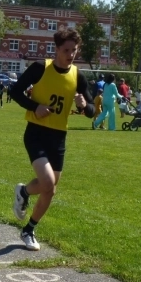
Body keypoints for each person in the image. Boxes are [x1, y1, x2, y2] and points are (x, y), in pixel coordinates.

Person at [10, 28, 95, 251]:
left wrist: (84, 106)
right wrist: (34, 106)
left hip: (58, 137)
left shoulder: (78, 76)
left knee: (51, 188)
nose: (70, 54)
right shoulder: (40, 68)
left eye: (74, 50)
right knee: (47, 182)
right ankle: (24, 196)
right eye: (66, 50)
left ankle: (28, 225)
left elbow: (92, 110)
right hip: (36, 132)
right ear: (56, 49)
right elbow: (15, 91)